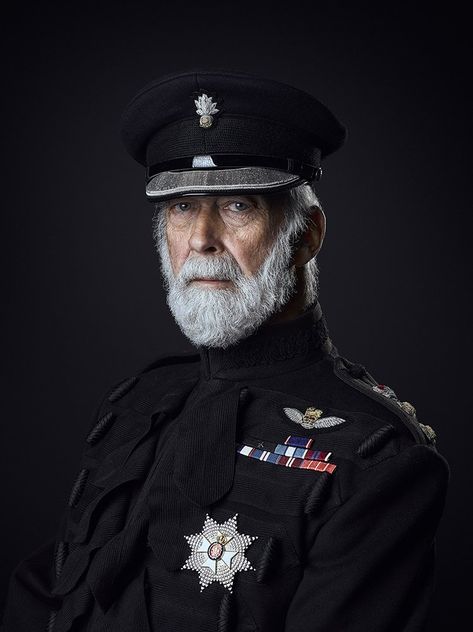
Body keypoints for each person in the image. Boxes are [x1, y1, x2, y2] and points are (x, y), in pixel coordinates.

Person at [1, 70, 449, 632]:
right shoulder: (138, 403)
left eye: (238, 205)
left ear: (307, 234)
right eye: (182, 207)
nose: (201, 237)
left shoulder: (375, 459)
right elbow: (50, 595)